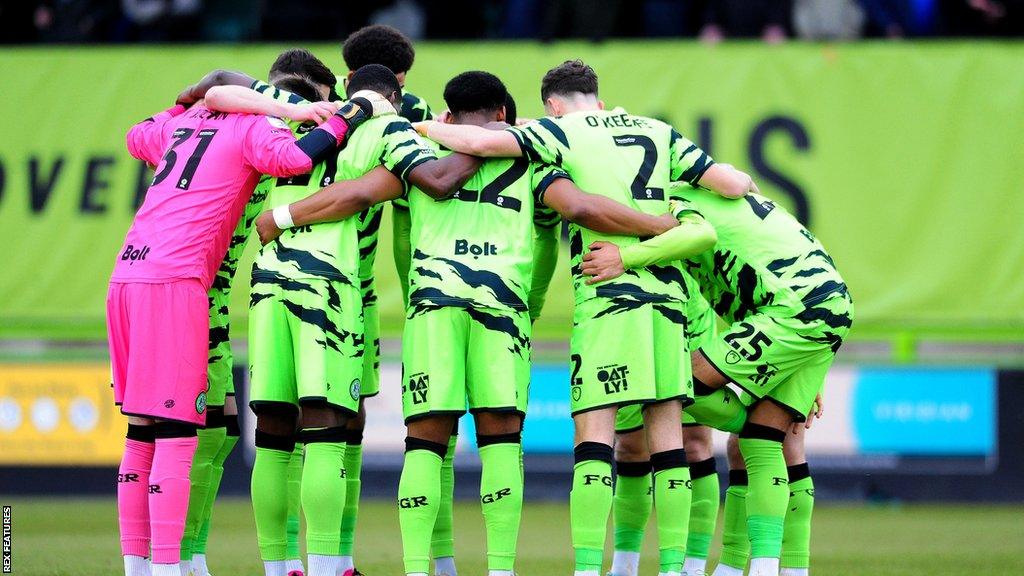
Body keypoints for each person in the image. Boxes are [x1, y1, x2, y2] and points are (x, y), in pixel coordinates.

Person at [413, 59, 756, 576]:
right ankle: (673, 569)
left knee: (595, 436)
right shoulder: (656, 130)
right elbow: (733, 183)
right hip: (668, 299)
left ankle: (590, 569)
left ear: (552, 104)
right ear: (598, 97)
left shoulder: (558, 131)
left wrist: (418, 124)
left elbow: (481, 145)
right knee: (670, 439)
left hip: (607, 293)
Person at [209, 63, 478, 576]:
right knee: (327, 427)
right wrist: (494, 139)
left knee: (271, 430)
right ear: (394, 93)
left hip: (267, 280)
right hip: (327, 284)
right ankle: (330, 565)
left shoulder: (293, 121)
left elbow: (220, 81)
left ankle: (280, 566)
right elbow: (437, 182)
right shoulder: (387, 127)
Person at [110, 85, 376, 576]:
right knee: (177, 435)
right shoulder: (256, 127)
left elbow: (135, 136)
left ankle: (139, 567)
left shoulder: (179, 125)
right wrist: (342, 119)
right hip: (175, 281)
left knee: (140, 432)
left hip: (125, 275)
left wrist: (180, 100)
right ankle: (168, 569)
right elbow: (297, 159)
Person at [580, 183, 853, 576]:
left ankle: (709, 563)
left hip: (795, 308)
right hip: (822, 307)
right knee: (763, 439)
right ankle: (772, 569)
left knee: (675, 381)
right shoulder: (720, 200)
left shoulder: (674, 201)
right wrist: (805, 362)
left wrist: (626, 256)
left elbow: (700, 234)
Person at [172, 48, 341, 576]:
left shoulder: (235, 123)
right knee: (195, 435)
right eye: (324, 98)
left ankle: (193, 558)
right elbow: (224, 79)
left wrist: (184, 100)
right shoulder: (266, 134)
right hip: (198, 293)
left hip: (210, 293)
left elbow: (219, 77)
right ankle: (174, 560)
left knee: (222, 434)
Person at [339, 25, 438, 574]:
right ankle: (338, 558)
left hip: (274, 276)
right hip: (348, 288)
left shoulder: (303, 101)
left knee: (282, 431)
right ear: (399, 79)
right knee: (344, 423)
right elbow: (419, 202)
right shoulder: (406, 110)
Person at [609, 278, 721, 576]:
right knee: (631, 447)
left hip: (687, 308)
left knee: (695, 444)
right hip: (624, 306)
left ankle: (693, 568)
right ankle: (624, 567)